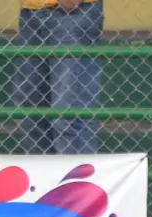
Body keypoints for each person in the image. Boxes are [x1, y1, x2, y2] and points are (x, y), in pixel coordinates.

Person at [12, 0, 103, 155]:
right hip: (30, 11)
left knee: (68, 112)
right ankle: (44, 176)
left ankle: (77, 175)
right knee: (30, 111)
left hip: (72, 13)